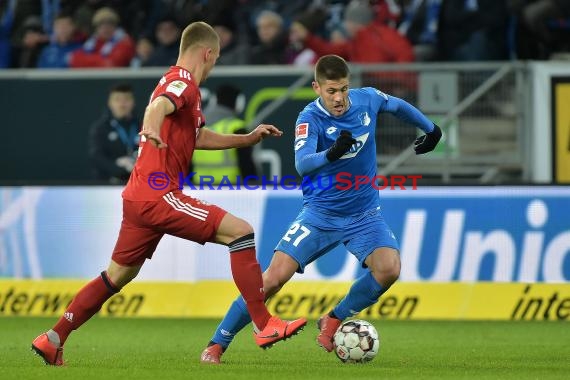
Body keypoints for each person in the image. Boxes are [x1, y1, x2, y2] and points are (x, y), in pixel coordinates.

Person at [31, 21, 306, 367]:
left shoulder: (180, 87)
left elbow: (198, 137)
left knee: (117, 275)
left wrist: (246, 139)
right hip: (158, 193)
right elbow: (158, 106)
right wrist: (149, 126)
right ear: (207, 53)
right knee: (242, 232)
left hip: (137, 196)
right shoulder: (183, 82)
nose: (213, 67)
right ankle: (264, 324)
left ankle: (53, 337)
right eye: (215, 60)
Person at [200, 54, 442, 364]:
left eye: (343, 89)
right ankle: (217, 343)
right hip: (319, 215)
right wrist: (332, 153)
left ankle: (333, 318)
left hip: (364, 213)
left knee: (389, 268)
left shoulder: (366, 100)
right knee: (273, 278)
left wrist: (430, 129)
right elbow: (302, 165)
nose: (339, 98)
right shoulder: (309, 118)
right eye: (331, 91)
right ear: (317, 88)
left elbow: (395, 104)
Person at [192, 84, 258, 184]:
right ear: (239, 104)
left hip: (199, 188)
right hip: (230, 189)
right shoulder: (237, 127)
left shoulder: (195, 126)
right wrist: (253, 185)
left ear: (214, 101)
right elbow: (246, 163)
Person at [88, 83, 140, 183]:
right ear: (109, 103)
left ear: (133, 102)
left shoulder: (142, 126)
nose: (122, 104)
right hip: (108, 185)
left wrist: (136, 166)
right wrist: (118, 167)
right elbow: (96, 156)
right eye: (117, 99)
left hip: (138, 183)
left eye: (126, 99)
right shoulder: (101, 128)